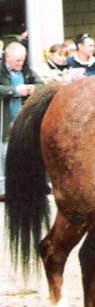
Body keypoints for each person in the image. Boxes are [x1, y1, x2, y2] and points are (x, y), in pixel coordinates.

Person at [0, 41, 43, 200]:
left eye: (23, 60)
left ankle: (24, 187)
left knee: (23, 155)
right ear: (7, 57)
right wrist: (13, 91)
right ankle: (2, 189)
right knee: (3, 155)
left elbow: (41, 84)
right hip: (4, 120)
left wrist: (32, 88)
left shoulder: (25, 70)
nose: (21, 63)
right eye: (17, 60)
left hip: (22, 120)